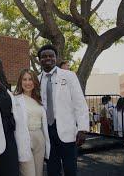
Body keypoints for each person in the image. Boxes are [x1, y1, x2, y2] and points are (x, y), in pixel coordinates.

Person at [37, 44, 89, 176]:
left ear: (56, 58)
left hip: (67, 131)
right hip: (46, 132)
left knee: (70, 169)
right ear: (40, 60)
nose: (48, 58)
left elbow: (80, 103)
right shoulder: (37, 80)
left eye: (51, 56)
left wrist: (82, 129)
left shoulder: (69, 76)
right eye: (44, 56)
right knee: (52, 169)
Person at [14, 69, 50, 176]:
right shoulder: (15, 99)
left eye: (30, 79)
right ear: (20, 82)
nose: (27, 82)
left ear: (34, 82)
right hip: (24, 139)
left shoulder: (39, 100)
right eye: (24, 79)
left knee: (39, 173)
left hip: (39, 138)